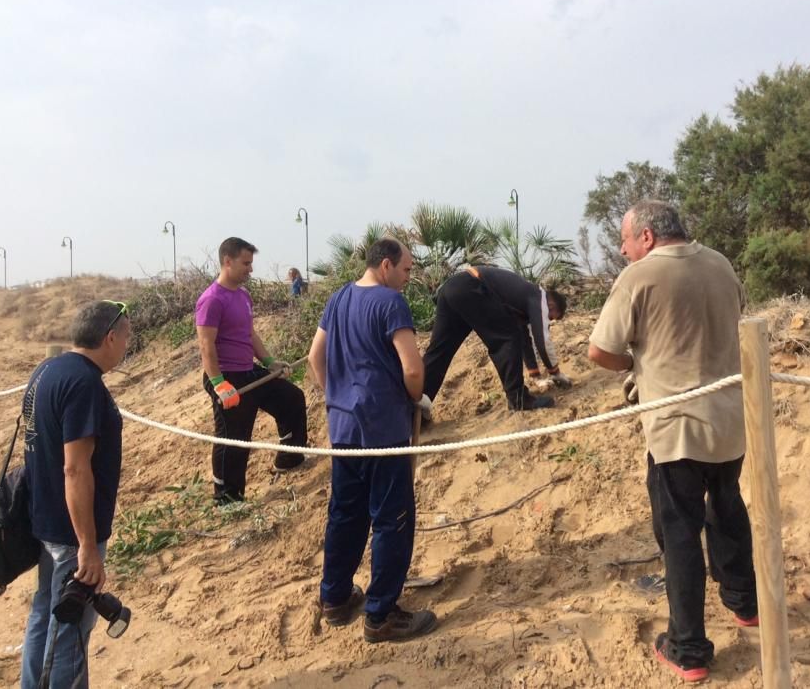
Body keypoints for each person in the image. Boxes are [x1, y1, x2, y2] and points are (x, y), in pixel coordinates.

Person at [587, 201, 757, 683]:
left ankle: (689, 649)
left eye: (624, 240)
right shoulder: (721, 263)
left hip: (675, 427)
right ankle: (745, 604)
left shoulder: (639, 277)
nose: (621, 250)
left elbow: (600, 350)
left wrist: (637, 366)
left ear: (646, 236)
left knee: (679, 533)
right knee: (726, 506)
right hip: (727, 417)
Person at [308, 238, 437, 643]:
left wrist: (337, 397)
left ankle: (335, 598)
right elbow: (412, 368)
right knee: (391, 519)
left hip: (344, 429)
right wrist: (417, 398)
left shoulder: (339, 298)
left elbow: (316, 356)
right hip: (383, 430)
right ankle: (380, 614)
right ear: (386, 265)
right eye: (406, 269)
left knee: (345, 514)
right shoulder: (390, 302)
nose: (408, 277)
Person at [20, 300, 131, 688]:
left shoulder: (47, 369)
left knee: (45, 615)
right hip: (71, 532)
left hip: (48, 520)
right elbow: (74, 467)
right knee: (68, 632)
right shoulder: (84, 383)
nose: (126, 345)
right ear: (110, 337)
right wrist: (86, 543)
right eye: (126, 336)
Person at [196, 237, 308, 504]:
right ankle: (226, 497)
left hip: (249, 370)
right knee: (235, 437)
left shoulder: (243, 295)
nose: (250, 269)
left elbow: (249, 334)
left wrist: (269, 363)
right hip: (225, 376)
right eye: (246, 263)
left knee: (292, 399)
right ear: (228, 261)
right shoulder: (211, 300)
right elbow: (205, 345)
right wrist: (219, 383)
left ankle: (289, 458)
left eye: (251, 263)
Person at [421, 266, 570, 414]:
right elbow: (542, 340)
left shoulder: (520, 298)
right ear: (550, 305)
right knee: (507, 339)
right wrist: (555, 372)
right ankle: (518, 399)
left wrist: (535, 375)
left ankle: (414, 410)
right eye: (551, 317)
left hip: (452, 287)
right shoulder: (539, 298)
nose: (547, 320)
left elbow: (524, 339)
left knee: (439, 352)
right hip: (472, 287)